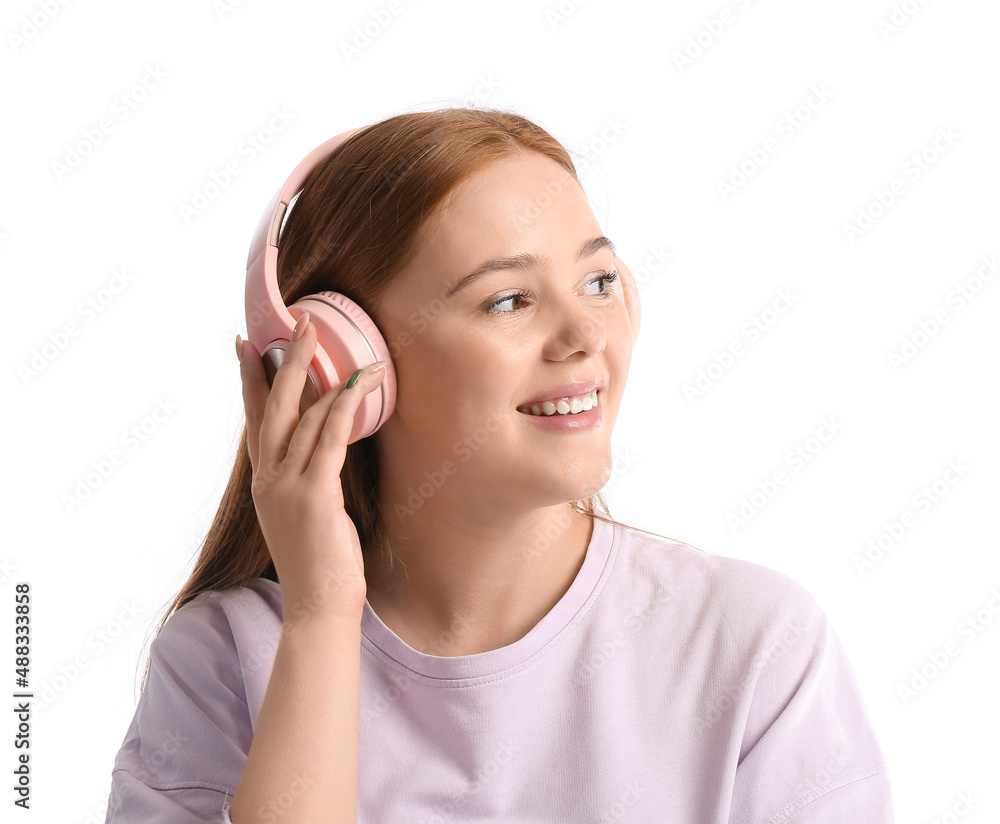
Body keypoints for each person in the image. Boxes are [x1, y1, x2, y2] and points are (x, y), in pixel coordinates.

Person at [102, 106, 896, 823]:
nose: (586, 334)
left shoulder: (753, 647)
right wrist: (320, 619)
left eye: (598, 280)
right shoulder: (222, 664)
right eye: (509, 300)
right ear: (344, 364)